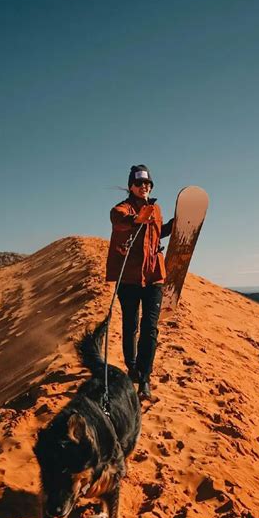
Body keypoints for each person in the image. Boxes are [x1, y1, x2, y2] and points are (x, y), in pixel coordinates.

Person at [106, 165, 173, 400]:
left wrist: (173, 226)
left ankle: (145, 378)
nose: (144, 187)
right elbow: (118, 219)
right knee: (131, 325)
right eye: (139, 183)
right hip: (129, 278)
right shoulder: (123, 208)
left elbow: (155, 233)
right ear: (131, 186)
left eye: (148, 183)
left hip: (155, 275)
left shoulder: (156, 208)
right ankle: (131, 366)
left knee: (150, 328)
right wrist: (138, 217)